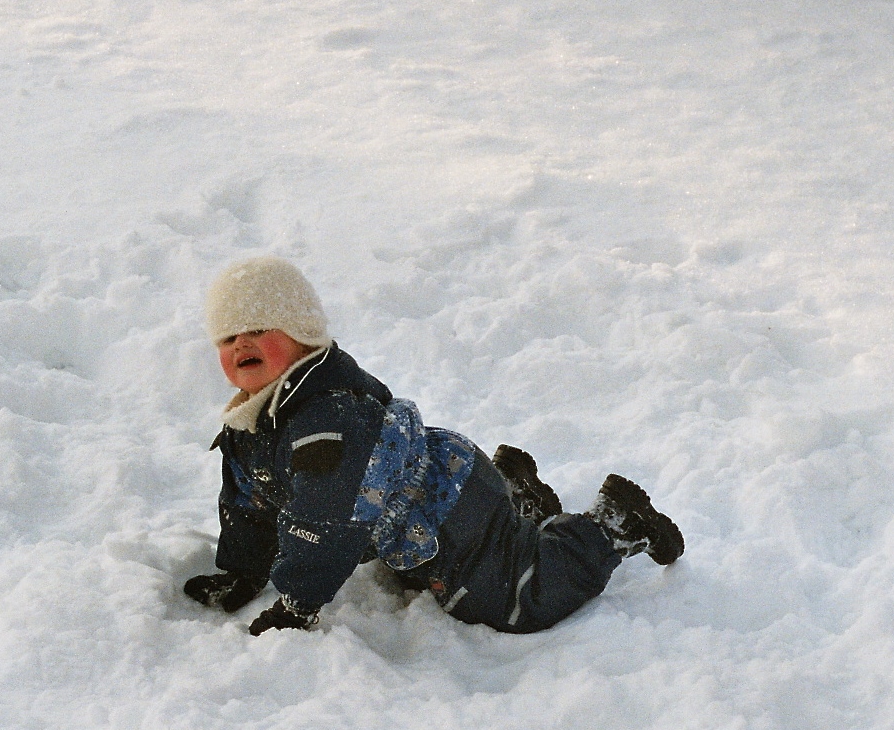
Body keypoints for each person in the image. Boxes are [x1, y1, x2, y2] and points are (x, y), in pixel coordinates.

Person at [185, 257, 684, 636]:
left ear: (304, 335)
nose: (239, 346)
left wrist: (296, 605)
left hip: (449, 511)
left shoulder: (327, 426)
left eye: (257, 330)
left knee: (512, 602)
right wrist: (243, 572)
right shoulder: (253, 420)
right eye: (227, 337)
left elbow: (325, 523)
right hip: (423, 503)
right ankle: (516, 496)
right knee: (444, 566)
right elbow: (249, 502)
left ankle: (611, 524)